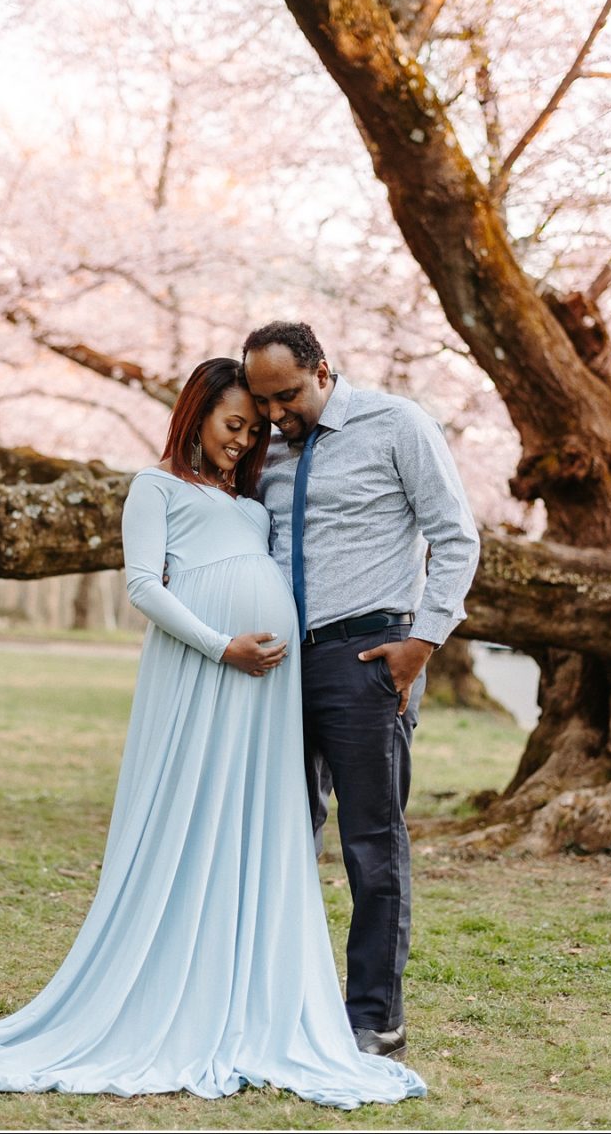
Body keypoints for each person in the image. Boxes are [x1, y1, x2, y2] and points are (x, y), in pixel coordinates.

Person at [0, 358, 427, 1110]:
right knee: (193, 819)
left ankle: (254, 986)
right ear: (196, 413)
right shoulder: (156, 487)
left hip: (267, 696)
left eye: (254, 429)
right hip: (210, 674)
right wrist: (222, 644)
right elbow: (143, 584)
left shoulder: (249, 497)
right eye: (233, 425)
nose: (244, 441)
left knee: (264, 825)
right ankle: (174, 981)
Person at [241, 320, 480, 1062]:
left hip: (367, 654)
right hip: (279, 664)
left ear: (322, 370)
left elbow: (456, 535)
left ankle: (374, 1015)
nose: (277, 415)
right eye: (264, 401)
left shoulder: (396, 425)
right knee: (281, 835)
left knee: (370, 843)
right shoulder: (268, 445)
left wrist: (420, 644)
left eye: (286, 397)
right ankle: (288, 1000)